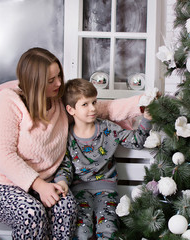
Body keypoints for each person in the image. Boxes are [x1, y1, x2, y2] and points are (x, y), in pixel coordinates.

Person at [0, 47, 146, 239]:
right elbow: (2, 153)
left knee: (67, 208)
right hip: (1, 184)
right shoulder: (9, 101)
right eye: (51, 80)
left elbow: (104, 109)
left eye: (59, 76)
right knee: (32, 214)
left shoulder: (58, 101)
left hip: (45, 185)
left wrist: (142, 102)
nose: (58, 83)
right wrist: (38, 185)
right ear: (35, 83)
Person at [54, 78, 152, 240]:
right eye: (85, 104)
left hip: (106, 190)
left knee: (108, 228)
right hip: (79, 191)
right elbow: (65, 166)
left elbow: (137, 141)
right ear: (71, 110)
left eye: (94, 102)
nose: (92, 108)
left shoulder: (109, 129)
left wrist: (146, 119)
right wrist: (61, 181)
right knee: (81, 232)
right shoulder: (67, 136)